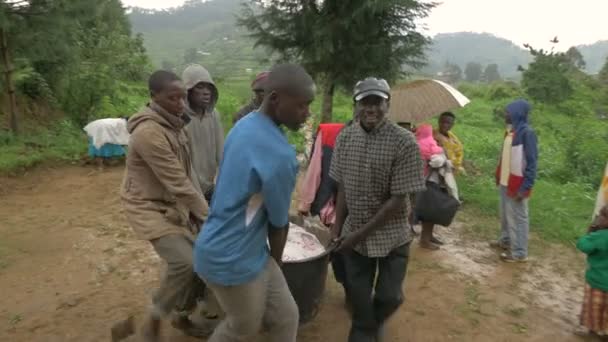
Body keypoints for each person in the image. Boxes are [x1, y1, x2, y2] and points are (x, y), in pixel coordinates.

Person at [193, 63, 315, 342]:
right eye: (302, 105)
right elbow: (279, 225)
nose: (307, 113)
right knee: (241, 328)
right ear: (275, 99)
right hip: (232, 257)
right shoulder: (281, 155)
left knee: (286, 317)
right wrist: (277, 264)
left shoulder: (243, 125)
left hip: (232, 246)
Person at [120, 70, 213, 341]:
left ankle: (180, 315)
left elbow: (188, 174)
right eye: (172, 98)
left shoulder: (175, 124)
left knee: (202, 258)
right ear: (154, 97)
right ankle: (152, 324)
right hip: (147, 206)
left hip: (173, 204)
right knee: (185, 263)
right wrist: (209, 216)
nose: (180, 104)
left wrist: (202, 211)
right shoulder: (148, 133)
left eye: (182, 97)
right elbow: (178, 182)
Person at [330, 77, 425, 342]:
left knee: (390, 296)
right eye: (364, 102)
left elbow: (397, 201)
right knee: (359, 299)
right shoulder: (345, 138)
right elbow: (343, 188)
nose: (371, 108)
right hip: (354, 238)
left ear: (388, 104)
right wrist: (337, 230)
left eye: (377, 102)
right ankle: (364, 330)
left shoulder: (405, 142)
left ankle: (371, 324)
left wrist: (356, 236)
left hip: (392, 236)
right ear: (356, 106)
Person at [297, 122, 348, 309]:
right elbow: (315, 169)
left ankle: (348, 286)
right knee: (334, 248)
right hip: (331, 205)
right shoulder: (329, 133)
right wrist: (305, 202)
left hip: (360, 209)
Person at [490, 99, 538, 263]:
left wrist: (525, 188)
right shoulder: (511, 131)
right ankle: (506, 241)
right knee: (505, 215)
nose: (505, 114)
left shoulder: (527, 133)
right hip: (505, 181)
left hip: (517, 184)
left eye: (508, 111)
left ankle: (519, 252)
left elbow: (532, 163)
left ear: (517, 113)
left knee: (518, 217)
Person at [182, 64, 224, 203]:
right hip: (187, 189)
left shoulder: (213, 116)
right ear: (188, 90)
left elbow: (221, 153)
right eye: (200, 87)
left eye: (209, 87)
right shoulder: (180, 118)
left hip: (209, 186)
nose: (206, 92)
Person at [415, 124, 459, 250]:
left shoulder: (419, 143)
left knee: (430, 211)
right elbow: (437, 162)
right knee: (431, 212)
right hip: (429, 182)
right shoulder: (427, 146)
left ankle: (428, 236)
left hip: (427, 181)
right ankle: (425, 240)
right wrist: (443, 157)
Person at [577, 205, 608, 339]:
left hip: (597, 282)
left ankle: (594, 332)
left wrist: (591, 231)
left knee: (594, 309)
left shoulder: (600, 236)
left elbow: (583, 245)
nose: (598, 217)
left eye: (602, 215)